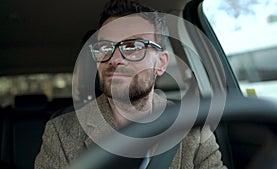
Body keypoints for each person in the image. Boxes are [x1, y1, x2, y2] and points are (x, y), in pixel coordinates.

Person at [34, 0, 226, 168]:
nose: (115, 59)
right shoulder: (61, 133)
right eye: (105, 47)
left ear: (161, 63)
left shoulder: (193, 128)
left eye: (133, 46)